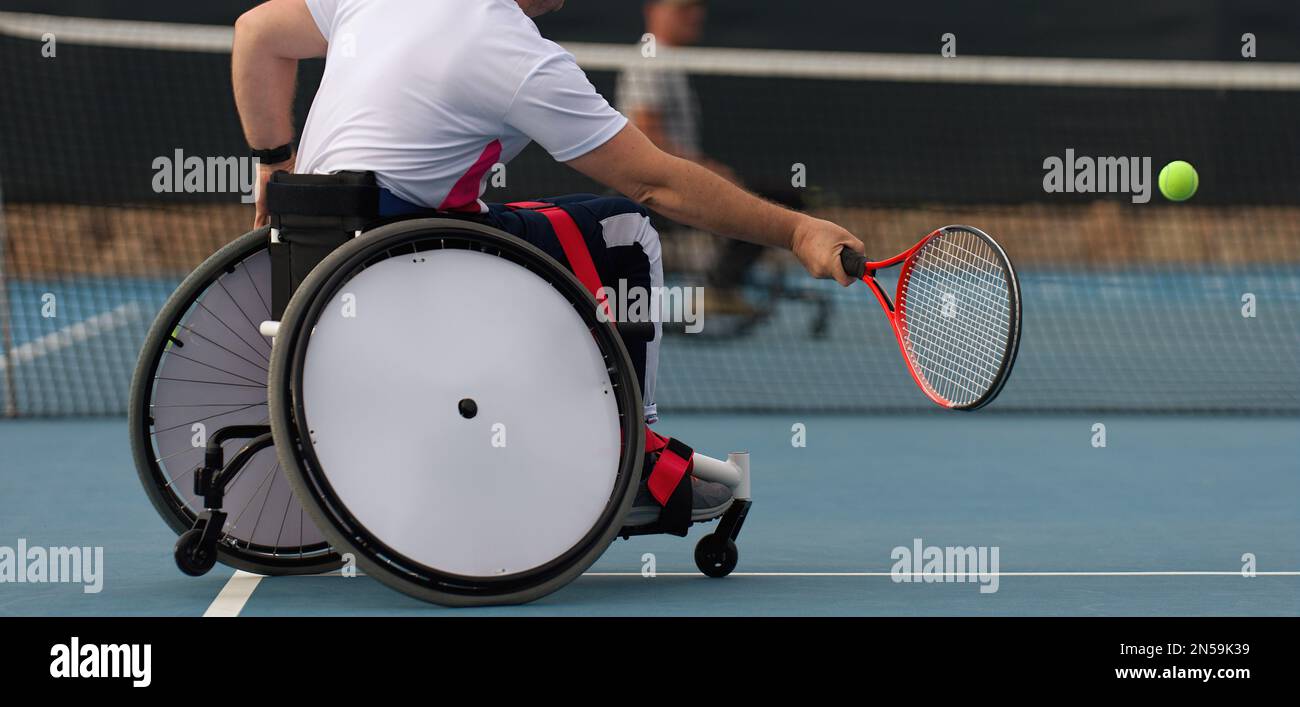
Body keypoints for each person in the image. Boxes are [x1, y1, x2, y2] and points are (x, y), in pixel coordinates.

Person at [233, 0, 864, 529]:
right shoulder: (512, 53)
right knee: (626, 232)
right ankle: (632, 463)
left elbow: (255, 33)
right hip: (408, 279)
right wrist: (797, 229)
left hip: (311, 270)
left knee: (525, 225)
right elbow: (655, 185)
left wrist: (273, 164)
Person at [616, 0, 776, 315]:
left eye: (697, 8)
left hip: (674, 184)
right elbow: (646, 135)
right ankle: (719, 287)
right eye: (685, 8)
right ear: (654, 11)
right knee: (773, 200)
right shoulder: (651, 60)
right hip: (663, 192)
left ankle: (721, 284)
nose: (696, 16)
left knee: (769, 197)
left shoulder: (666, 60)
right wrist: (707, 171)